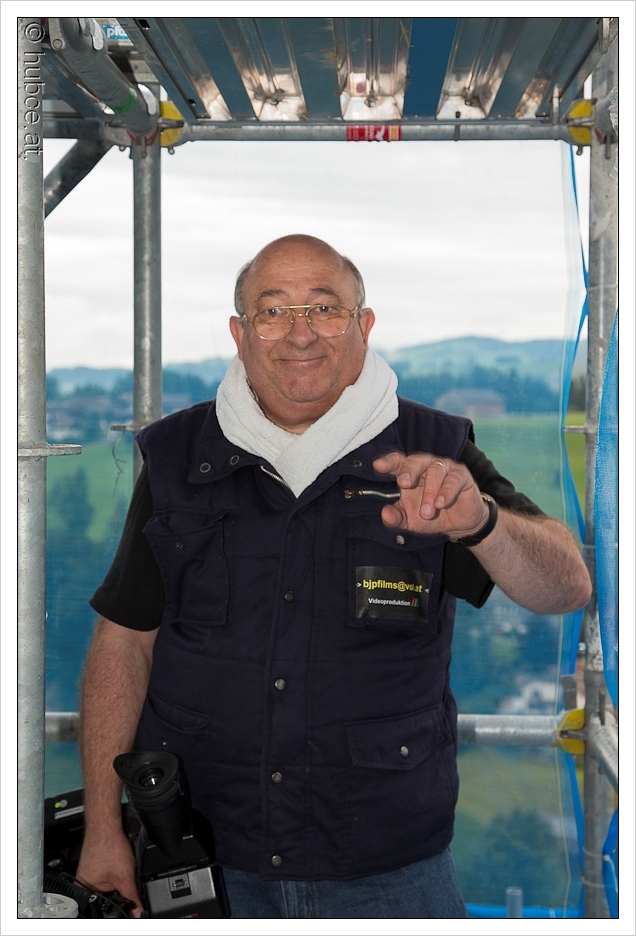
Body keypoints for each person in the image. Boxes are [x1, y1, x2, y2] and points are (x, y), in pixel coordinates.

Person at [77, 234, 591, 918]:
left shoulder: (435, 449)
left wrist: (482, 523)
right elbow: (123, 642)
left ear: (364, 325)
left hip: (390, 865)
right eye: (272, 311)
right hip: (199, 852)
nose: (300, 333)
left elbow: (567, 586)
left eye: (325, 308)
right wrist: (103, 828)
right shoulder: (177, 455)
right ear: (239, 333)